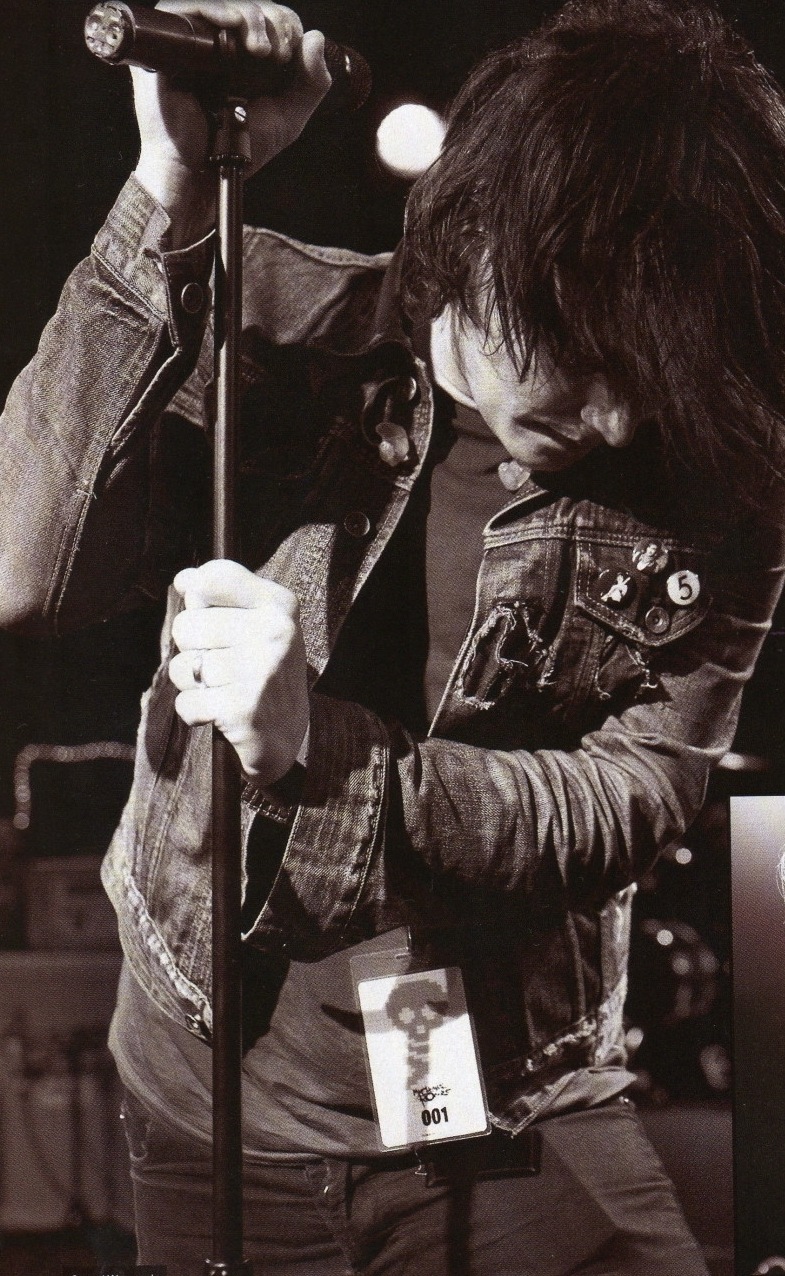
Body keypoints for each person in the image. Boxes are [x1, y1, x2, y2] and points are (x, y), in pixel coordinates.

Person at [2, 0, 785, 1271]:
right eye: (592, 352)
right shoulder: (279, 326)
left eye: (657, 370)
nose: (619, 415)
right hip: (214, 1093)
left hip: (509, 1082)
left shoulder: (715, 473)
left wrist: (331, 757)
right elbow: (22, 569)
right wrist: (170, 185)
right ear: (479, 245)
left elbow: (633, 797)